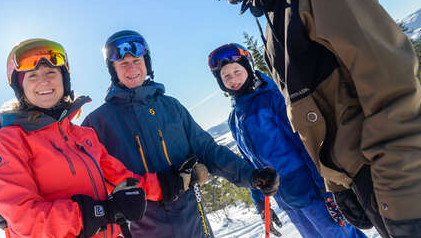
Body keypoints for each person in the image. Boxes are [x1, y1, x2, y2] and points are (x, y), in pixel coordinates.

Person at [181, 0, 421, 237]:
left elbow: (392, 88)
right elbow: (313, 116)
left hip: (404, 176)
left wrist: (408, 207)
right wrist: (338, 182)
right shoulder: (278, 9)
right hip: (372, 179)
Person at [0, 38, 191, 238]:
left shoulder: (82, 137)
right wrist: (100, 212)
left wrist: (167, 184)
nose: (44, 81)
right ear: (20, 88)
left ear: (64, 78)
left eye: (51, 72)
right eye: (32, 75)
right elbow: (27, 221)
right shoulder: (7, 143)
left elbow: (122, 181)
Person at [80, 30, 280, 238]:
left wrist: (250, 174)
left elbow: (207, 150)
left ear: (146, 62)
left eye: (137, 60)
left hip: (194, 222)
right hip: (144, 229)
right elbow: (91, 184)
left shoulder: (171, 107)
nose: (132, 68)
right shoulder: (98, 123)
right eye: (123, 64)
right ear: (113, 70)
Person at [207, 43, 368, 238]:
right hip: (288, 200)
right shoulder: (235, 119)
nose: (233, 79)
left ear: (248, 68)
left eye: (237, 71)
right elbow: (250, 165)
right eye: (226, 76)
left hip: (312, 192)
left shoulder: (272, 99)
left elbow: (305, 145)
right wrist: (260, 204)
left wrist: (329, 192)